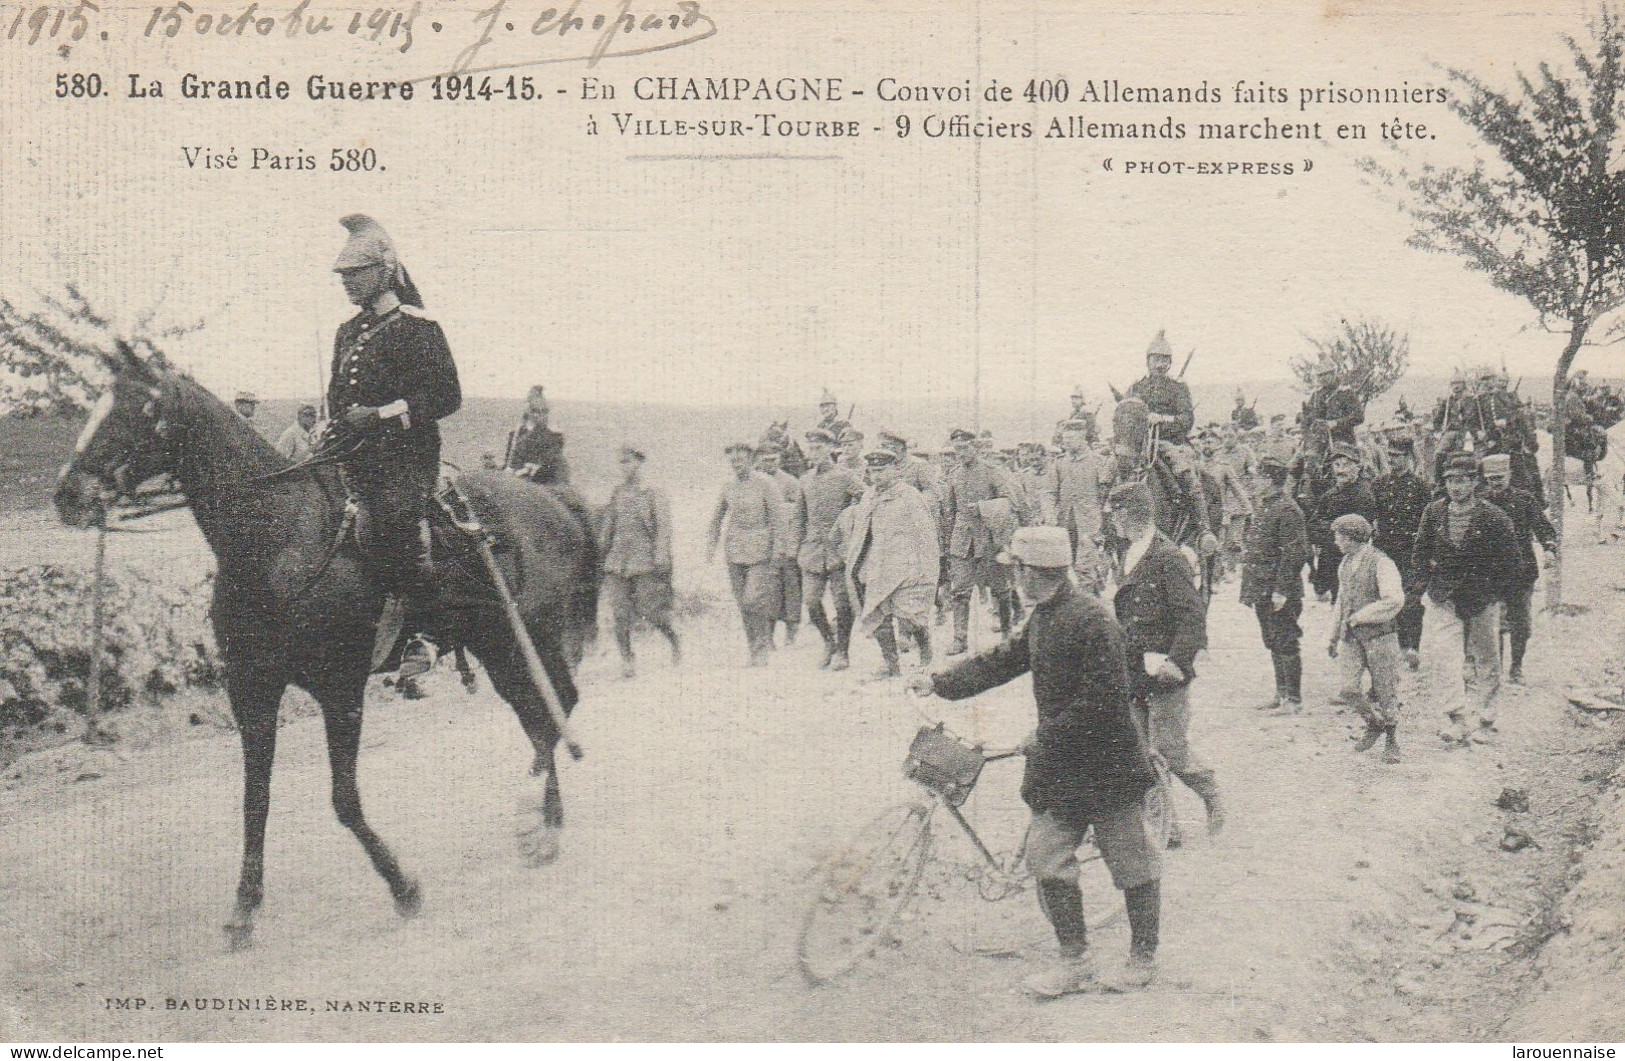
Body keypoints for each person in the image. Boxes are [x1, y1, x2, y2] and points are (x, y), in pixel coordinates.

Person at [910, 526, 1164, 997]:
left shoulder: (1094, 621)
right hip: (1061, 767)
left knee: (1131, 865)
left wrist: (1043, 736)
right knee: (1046, 859)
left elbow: (1107, 700)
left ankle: (1142, 957)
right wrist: (942, 684)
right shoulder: (1045, 617)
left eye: (1016, 569)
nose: (1012, 578)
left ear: (1034, 572)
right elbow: (1003, 660)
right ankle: (1076, 959)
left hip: (1107, 764)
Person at [326, 214, 461, 679]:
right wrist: (334, 427)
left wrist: (383, 414)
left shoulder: (419, 329)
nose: (347, 283)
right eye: (343, 275)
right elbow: (337, 397)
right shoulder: (347, 332)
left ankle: (428, 631)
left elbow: (447, 397)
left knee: (395, 523)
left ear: (383, 272)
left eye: (355, 274)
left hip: (405, 459)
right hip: (354, 459)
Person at [1106, 481, 1223, 846]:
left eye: (1116, 515)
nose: (1112, 522)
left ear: (1131, 515)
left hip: (1164, 670)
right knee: (1141, 750)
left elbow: (1192, 615)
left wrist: (1178, 661)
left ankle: (1213, 797)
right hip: (1135, 669)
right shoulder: (1127, 554)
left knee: (1169, 748)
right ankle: (1167, 829)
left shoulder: (1168, 556)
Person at [1409, 453, 1522, 739]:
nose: (1455, 487)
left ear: (1475, 482)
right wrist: (1425, 586)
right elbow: (1420, 553)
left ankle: (1486, 717)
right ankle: (1456, 717)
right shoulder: (1433, 513)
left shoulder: (1494, 517)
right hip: (1443, 597)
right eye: (1450, 481)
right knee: (1445, 659)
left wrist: (1495, 594)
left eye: (1461, 481)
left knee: (1487, 658)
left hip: (1481, 598)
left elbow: (1511, 562)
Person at [845, 448, 940, 679]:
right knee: (877, 615)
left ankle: (926, 656)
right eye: (873, 471)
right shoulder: (868, 496)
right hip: (876, 566)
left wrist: (924, 569)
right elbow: (862, 534)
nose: (876, 476)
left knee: (910, 615)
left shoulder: (909, 496)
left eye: (882, 470)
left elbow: (925, 535)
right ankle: (892, 665)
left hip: (905, 567)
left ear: (895, 470)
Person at [943, 427, 1031, 653]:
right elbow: (950, 511)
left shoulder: (993, 471)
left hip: (990, 539)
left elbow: (1009, 502)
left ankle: (1006, 632)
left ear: (976, 447)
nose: (960, 453)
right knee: (960, 590)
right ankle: (959, 638)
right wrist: (947, 541)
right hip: (962, 541)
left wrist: (983, 508)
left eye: (965, 448)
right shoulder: (953, 475)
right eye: (957, 449)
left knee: (1000, 588)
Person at [1327, 514, 1406, 763]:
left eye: (1339, 536)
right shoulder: (1345, 564)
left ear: (1353, 538)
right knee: (1348, 689)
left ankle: (1392, 739)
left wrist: (1363, 616)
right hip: (1351, 637)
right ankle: (1374, 723)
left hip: (1380, 636)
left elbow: (1394, 600)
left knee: (1385, 688)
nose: (1336, 541)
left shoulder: (1382, 563)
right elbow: (1341, 601)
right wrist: (1332, 636)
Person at [598, 446, 679, 679]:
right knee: (619, 613)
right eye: (621, 463)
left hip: (645, 560)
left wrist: (661, 555)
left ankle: (674, 641)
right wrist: (601, 553)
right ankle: (627, 660)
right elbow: (608, 527)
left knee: (650, 610)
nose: (625, 467)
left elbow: (664, 527)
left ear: (639, 463)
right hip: (618, 560)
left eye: (629, 462)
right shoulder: (617, 492)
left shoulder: (653, 492)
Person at [1480, 454, 1557, 684]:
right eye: (1491, 479)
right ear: (1485, 479)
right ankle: (1497, 669)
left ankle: (1516, 667)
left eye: (1500, 477)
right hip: (1490, 574)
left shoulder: (1524, 500)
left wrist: (1549, 548)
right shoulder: (1480, 503)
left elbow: (1544, 528)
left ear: (1509, 476)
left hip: (1521, 572)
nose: (1496, 482)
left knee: (1520, 624)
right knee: (1495, 624)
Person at [1241, 453, 1309, 712]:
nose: (1253, 482)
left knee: (1286, 639)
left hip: (1279, 589)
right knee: (1272, 639)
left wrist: (1281, 589)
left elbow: (1294, 553)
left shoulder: (1287, 509)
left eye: (1257, 477)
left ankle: (1293, 699)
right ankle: (1281, 695)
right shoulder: (1267, 505)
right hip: (1262, 587)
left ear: (1269, 480)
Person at [708, 442, 785, 666]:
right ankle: (754, 650)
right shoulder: (728, 486)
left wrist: (779, 549)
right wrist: (710, 547)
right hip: (734, 551)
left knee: (754, 600)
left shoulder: (766, 484)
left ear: (751, 460)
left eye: (740, 460)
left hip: (761, 550)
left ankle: (762, 648)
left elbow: (779, 518)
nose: (736, 465)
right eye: (732, 461)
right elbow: (717, 518)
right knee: (743, 603)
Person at [798, 428, 865, 671]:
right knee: (811, 602)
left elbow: (866, 500)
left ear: (829, 448)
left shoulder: (844, 476)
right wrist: (797, 549)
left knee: (843, 605)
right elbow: (800, 517)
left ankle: (843, 652)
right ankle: (828, 642)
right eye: (810, 448)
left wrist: (852, 526)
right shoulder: (804, 480)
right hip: (813, 551)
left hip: (840, 551)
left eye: (818, 448)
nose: (813, 453)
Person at [1372, 436, 1432, 670]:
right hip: (1385, 552)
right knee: (1388, 599)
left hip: (1411, 553)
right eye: (1389, 456)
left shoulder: (1420, 487)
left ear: (1408, 458)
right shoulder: (1379, 485)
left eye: (1396, 456)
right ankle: (1396, 647)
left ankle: (1411, 648)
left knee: (1412, 602)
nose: (1391, 460)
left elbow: (1428, 523)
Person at [1043, 418, 1108, 594]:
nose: (1066, 443)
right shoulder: (1059, 463)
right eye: (1064, 440)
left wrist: (1104, 520)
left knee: (1084, 567)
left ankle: (1090, 607)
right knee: (1067, 564)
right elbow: (1049, 492)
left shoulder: (1098, 462)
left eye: (1070, 439)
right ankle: (1093, 590)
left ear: (1082, 438)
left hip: (1090, 524)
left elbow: (1106, 493)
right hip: (1065, 524)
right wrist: (1049, 513)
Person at [1309, 446, 1377, 602]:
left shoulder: (1363, 494)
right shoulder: (1329, 495)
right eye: (1337, 465)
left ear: (1358, 468)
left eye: (1346, 464)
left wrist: (1329, 527)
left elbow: (1359, 530)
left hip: (1353, 561)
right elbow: (1312, 525)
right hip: (1331, 560)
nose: (1341, 470)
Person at [757, 446, 805, 648]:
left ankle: (791, 635)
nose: (770, 463)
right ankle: (768, 636)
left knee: (792, 589)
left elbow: (799, 512)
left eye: (774, 459)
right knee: (769, 591)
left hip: (789, 544)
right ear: (759, 460)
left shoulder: (790, 482)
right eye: (766, 459)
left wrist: (793, 545)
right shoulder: (756, 482)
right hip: (766, 546)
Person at [506, 385, 569, 485]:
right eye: (535, 411)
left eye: (543, 412)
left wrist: (531, 468)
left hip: (542, 480)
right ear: (529, 411)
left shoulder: (555, 437)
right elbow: (511, 462)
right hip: (520, 478)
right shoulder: (516, 434)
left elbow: (554, 464)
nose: (538, 415)